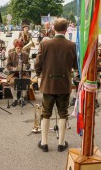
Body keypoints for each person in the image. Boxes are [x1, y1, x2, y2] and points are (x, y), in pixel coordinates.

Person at [35, 18, 77, 152]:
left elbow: (37, 63)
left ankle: (44, 142)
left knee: (46, 112)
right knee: (63, 112)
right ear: (66, 30)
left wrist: (39, 73)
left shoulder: (45, 44)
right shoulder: (72, 45)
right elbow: (76, 65)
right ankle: (61, 143)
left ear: (53, 29)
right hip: (64, 84)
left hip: (48, 83)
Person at [7, 40, 31, 107]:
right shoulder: (11, 54)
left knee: (25, 81)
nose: (19, 50)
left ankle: (22, 99)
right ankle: (14, 99)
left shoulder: (26, 55)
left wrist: (25, 66)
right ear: (15, 48)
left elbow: (28, 64)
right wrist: (14, 68)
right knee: (12, 82)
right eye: (17, 48)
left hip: (23, 73)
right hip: (13, 74)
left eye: (20, 48)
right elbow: (8, 66)